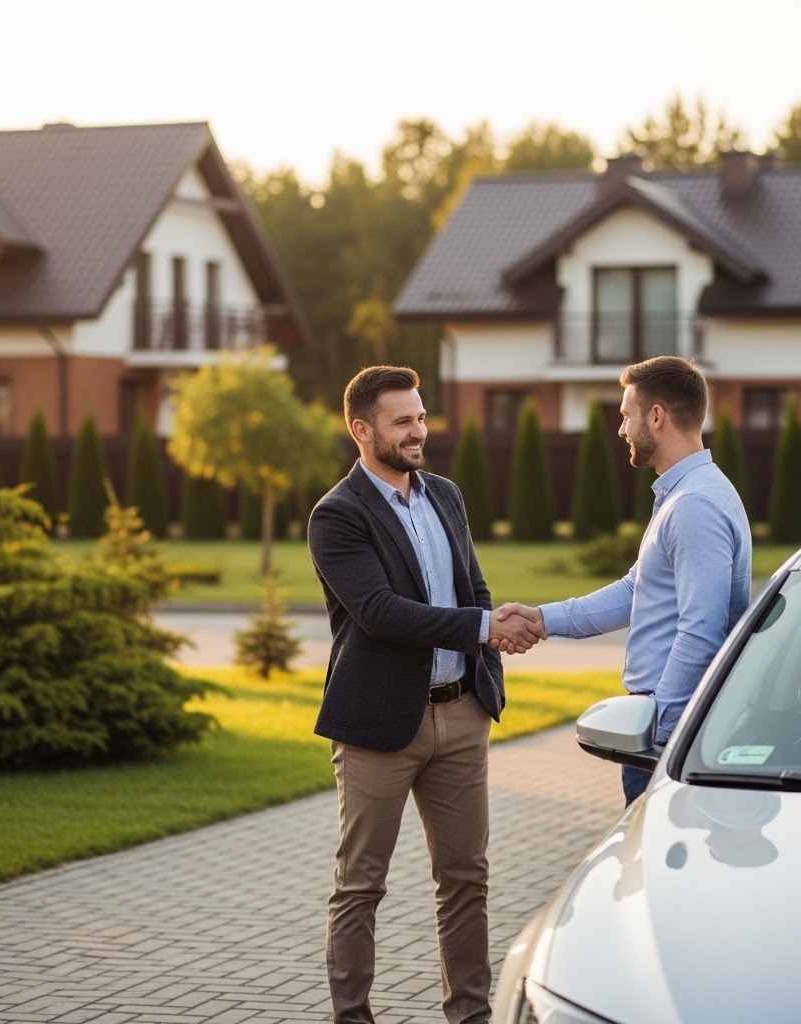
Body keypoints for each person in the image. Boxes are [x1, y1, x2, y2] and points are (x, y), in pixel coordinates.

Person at [308, 365, 545, 1024]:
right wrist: (483, 628)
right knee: (361, 884)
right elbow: (380, 612)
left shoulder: (445, 495)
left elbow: (474, 587)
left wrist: (489, 644)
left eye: (420, 417)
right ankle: (352, 1017)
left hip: (462, 715)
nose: (418, 431)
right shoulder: (337, 515)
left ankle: (470, 1015)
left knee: (466, 879)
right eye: (403, 421)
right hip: (379, 727)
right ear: (362, 430)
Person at [496, 356, 751, 806]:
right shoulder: (683, 494)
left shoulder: (695, 505)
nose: (621, 429)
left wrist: (659, 730)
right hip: (669, 724)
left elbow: (702, 630)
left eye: (626, 415)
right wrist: (543, 619)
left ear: (657, 416)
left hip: (671, 735)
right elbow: (637, 590)